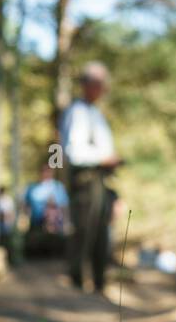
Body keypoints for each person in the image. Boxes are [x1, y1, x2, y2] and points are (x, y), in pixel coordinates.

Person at [59, 61, 120, 293]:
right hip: (86, 179)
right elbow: (74, 151)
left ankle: (98, 282)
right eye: (99, 84)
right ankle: (76, 282)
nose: (103, 89)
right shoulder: (77, 112)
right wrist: (102, 159)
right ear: (88, 85)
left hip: (99, 178)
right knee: (84, 230)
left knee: (100, 233)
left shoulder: (95, 113)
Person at [24, 165, 69, 232]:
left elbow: (64, 206)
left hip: (56, 226)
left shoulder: (58, 187)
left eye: (48, 171)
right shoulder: (32, 188)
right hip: (36, 224)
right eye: (44, 171)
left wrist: (66, 223)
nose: (46, 174)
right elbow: (26, 205)